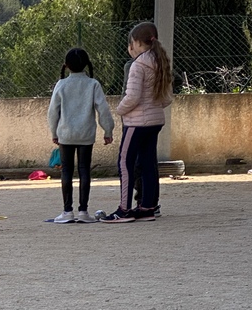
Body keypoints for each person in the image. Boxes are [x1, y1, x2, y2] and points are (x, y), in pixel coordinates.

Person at [101, 21, 173, 223]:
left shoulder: (138, 65)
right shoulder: (161, 62)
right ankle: (148, 207)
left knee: (125, 162)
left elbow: (132, 97)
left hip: (136, 123)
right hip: (155, 121)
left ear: (136, 43)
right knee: (149, 163)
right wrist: (153, 106)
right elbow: (167, 98)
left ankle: (124, 210)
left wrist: (120, 109)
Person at [47, 48, 114, 223]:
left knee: (66, 171)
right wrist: (108, 130)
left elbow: (53, 112)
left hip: (66, 134)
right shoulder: (93, 84)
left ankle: (67, 211)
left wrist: (54, 132)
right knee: (84, 170)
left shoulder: (61, 84)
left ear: (66, 65)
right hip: (86, 134)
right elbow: (103, 109)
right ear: (86, 64)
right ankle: (83, 211)